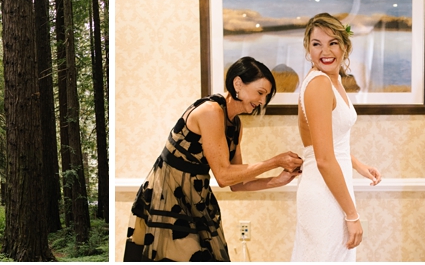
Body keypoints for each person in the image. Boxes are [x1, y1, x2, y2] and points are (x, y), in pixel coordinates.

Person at [123, 56, 304, 262]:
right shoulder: (211, 111)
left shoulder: (235, 125)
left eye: (266, 96)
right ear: (238, 83)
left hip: (198, 200)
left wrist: (277, 181)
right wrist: (274, 162)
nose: (262, 101)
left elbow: (236, 184)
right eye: (260, 93)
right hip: (167, 199)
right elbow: (224, 175)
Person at [291, 13, 382, 262]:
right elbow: (323, 158)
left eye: (332, 42)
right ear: (308, 49)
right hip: (324, 191)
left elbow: (329, 142)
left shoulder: (333, 80)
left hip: (332, 185)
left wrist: (359, 165)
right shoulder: (319, 83)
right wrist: (352, 215)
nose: (325, 51)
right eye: (316, 44)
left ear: (344, 45)